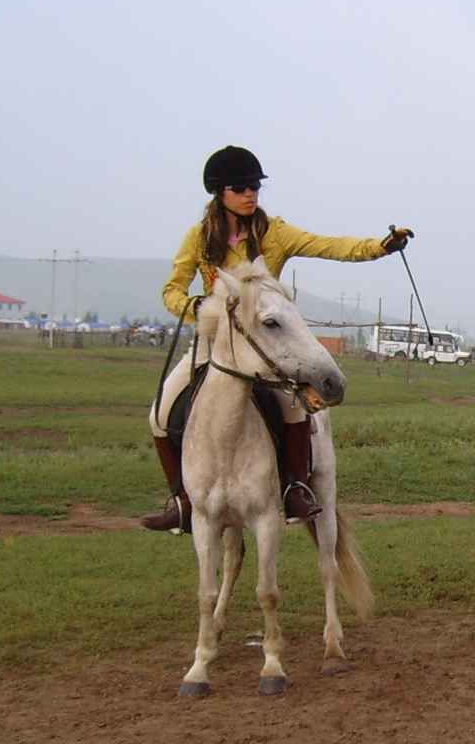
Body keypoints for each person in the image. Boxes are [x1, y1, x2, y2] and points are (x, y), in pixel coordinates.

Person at [140, 145, 413, 533]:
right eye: (241, 187)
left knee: (296, 407)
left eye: (254, 186)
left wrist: (379, 247)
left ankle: (296, 488)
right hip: (214, 346)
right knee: (159, 413)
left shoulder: (276, 232)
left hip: (267, 348)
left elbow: (330, 245)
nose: (251, 193)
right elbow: (171, 290)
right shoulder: (199, 238)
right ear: (220, 193)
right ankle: (181, 499)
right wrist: (195, 306)